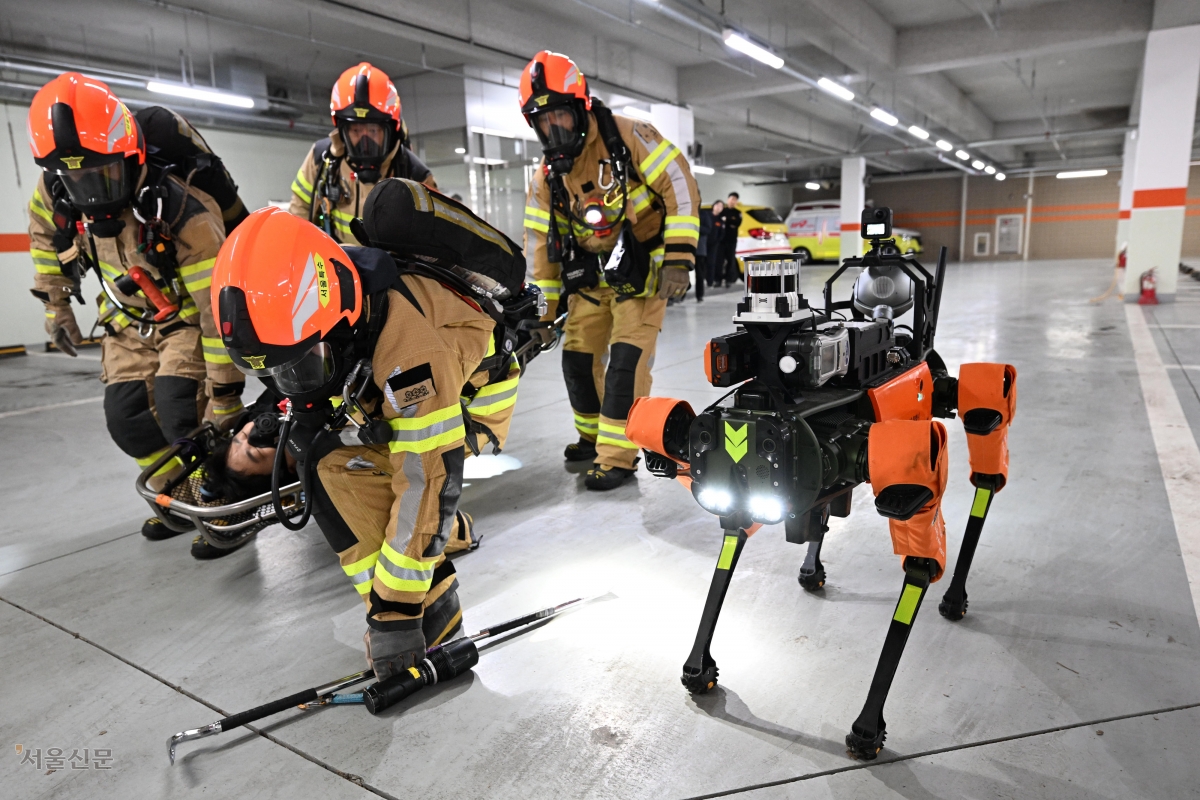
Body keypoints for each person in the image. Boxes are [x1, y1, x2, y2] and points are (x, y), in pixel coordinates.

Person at [213, 197, 525, 680]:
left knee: (357, 473)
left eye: (302, 364)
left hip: (471, 412)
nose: (298, 381)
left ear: (336, 320)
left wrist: (393, 616)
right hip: (401, 402)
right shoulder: (332, 304)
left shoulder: (409, 353)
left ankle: (436, 617)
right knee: (314, 453)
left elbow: (430, 476)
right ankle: (446, 538)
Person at [26, 73, 244, 543]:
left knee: (182, 409)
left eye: (103, 175)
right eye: (78, 180)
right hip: (127, 319)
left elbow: (216, 311)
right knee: (127, 419)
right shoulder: (58, 192)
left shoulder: (183, 209)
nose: (93, 193)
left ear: (131, 156)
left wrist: (226, 394)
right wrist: (56, 306)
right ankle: (180, 495)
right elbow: (45, 240)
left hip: (186, 319)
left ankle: (223, 500)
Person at [519, 50, 701, 490]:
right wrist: (541, 314)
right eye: (542, 123)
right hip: (591, 279)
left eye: (559, 117)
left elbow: (679, 185)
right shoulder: (547, 177)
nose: (553, 130)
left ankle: (618, 457)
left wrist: (679, 256)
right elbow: (540, 244)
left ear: (581, 107)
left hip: (644, 274)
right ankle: (591, 436)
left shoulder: (628, 136)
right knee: (577, 361)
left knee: (625, 363)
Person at [290, 62, 436, 244]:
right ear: (342, 130)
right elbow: (299, 216)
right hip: (335, 266)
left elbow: (432, 244)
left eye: (373, 131)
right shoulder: (322, 160)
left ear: (391, 129)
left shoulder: (415, 175)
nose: (365, 142)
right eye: (356, 131)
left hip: (391, 270)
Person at [719, 192, 743, 286]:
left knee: (730, 260)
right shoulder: (722, 211)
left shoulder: (737, 213)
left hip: (732, 240)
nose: (733, 201)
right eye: (731, 199)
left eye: (735, 200)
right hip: (721, 240)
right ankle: (718, 280)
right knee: (719, 260)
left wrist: (727, 220)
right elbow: (720, 220)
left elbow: (737, 223)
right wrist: (730, 222)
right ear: (727, 200)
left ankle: (728, 280)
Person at [704, 200, 726, 289]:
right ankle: (702, 279)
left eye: (721, 206)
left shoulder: (720, 220)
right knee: (701, 263)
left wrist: (716, 242)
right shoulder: (706, 215)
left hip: (713, 245)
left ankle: (710, 281)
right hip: (703, 243)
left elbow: (722, 234)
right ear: (713, 205)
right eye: (717, 205)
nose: (718, 207)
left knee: (711, 263)